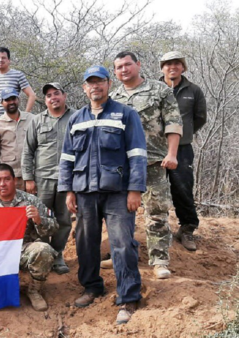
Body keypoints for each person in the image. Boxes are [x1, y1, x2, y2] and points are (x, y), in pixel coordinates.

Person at [58, 65, 147, 325]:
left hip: (118, 193)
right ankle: (92, 287)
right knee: (86, 243)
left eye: (100, 82)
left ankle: (128, 297)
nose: (95, 87)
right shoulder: (76, 119)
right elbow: (66, 158)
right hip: (84, 193)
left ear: (109, 84)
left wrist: (135, 190)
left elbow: (137, 155)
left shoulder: (126, 114)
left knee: (122, 244)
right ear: (84, 88)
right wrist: (68, 190)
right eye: (90, 83)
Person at [110, 51, 183, 279]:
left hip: (152, 161)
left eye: (128, 64)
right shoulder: (112, 98)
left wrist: (172, 154)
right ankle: (120, 255)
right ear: (115, 71)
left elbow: (173, 123)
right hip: (123, 165)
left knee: (157, 212)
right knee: (120, 214)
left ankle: (160, 259)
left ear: (138, 64)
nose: (124, 69)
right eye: (119, 66)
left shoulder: (159, 91)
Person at [0, 163, 58, 312]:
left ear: (14, 180)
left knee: (44, 250)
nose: (3, 184)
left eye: (7, 179)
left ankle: (34, 290)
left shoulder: (30, 201)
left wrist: (39, 219)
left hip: (23, 249)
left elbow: (54, 227)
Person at [21, 82, 75, 274]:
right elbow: (28, 151)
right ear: (45, 100)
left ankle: (58, 254)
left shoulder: (76, 118)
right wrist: (28, 178)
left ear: (64, 96)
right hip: (42, 178)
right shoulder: (37, 121)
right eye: (49, 95)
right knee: (40, 218)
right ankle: (46, 254)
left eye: (56, 94)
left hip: (67, 178)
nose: (53, 98)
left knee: (64, 218)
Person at [159, 51, 207, 251]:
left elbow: (200, 118)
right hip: (156, 148)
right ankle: (156, 230)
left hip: (183, 149)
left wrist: (183, 135)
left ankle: (186, 229)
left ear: (183, 67)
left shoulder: (193, 90)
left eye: (177, 63)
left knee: (183, 188)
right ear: (162, 68)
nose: (172, 67)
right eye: (168, 64)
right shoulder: (154, 89)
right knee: (154, 191)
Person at [0, 47, 37, 184]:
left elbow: (32, 95)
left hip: (13, 121)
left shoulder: (17, 75)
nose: (0, 60)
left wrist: (26, 115)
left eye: (3, 58)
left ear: (9, 60)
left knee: (14, 152)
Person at [0, 88, 33, 189]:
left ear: (18, 100)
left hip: (31, 175)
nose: (11, 102)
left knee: (33, 204)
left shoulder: (32, 119)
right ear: (2, 102)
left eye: (13, 98)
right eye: (7, 100)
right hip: (10, 177)